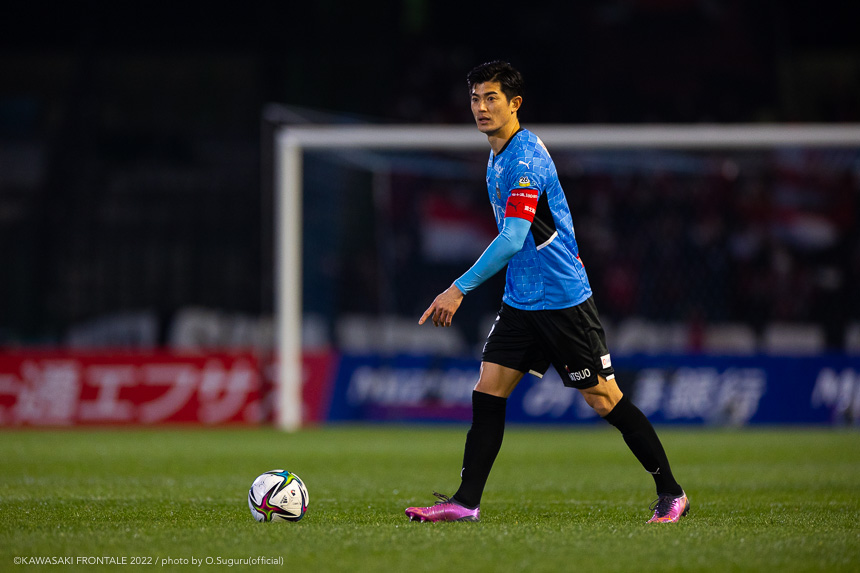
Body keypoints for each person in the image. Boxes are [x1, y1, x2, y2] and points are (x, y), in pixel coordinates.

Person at [404, 61, 689, 524]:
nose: (481, 107)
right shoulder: (498, 154)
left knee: (604, 399)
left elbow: (514, 237)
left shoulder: (525, 160)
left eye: (491, 98)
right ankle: (465, 502)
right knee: (488, 389)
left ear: (515, 103)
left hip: (561, 301)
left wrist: (458, 289)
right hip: (520, 301)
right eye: (475, 98)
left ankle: (672, 492)